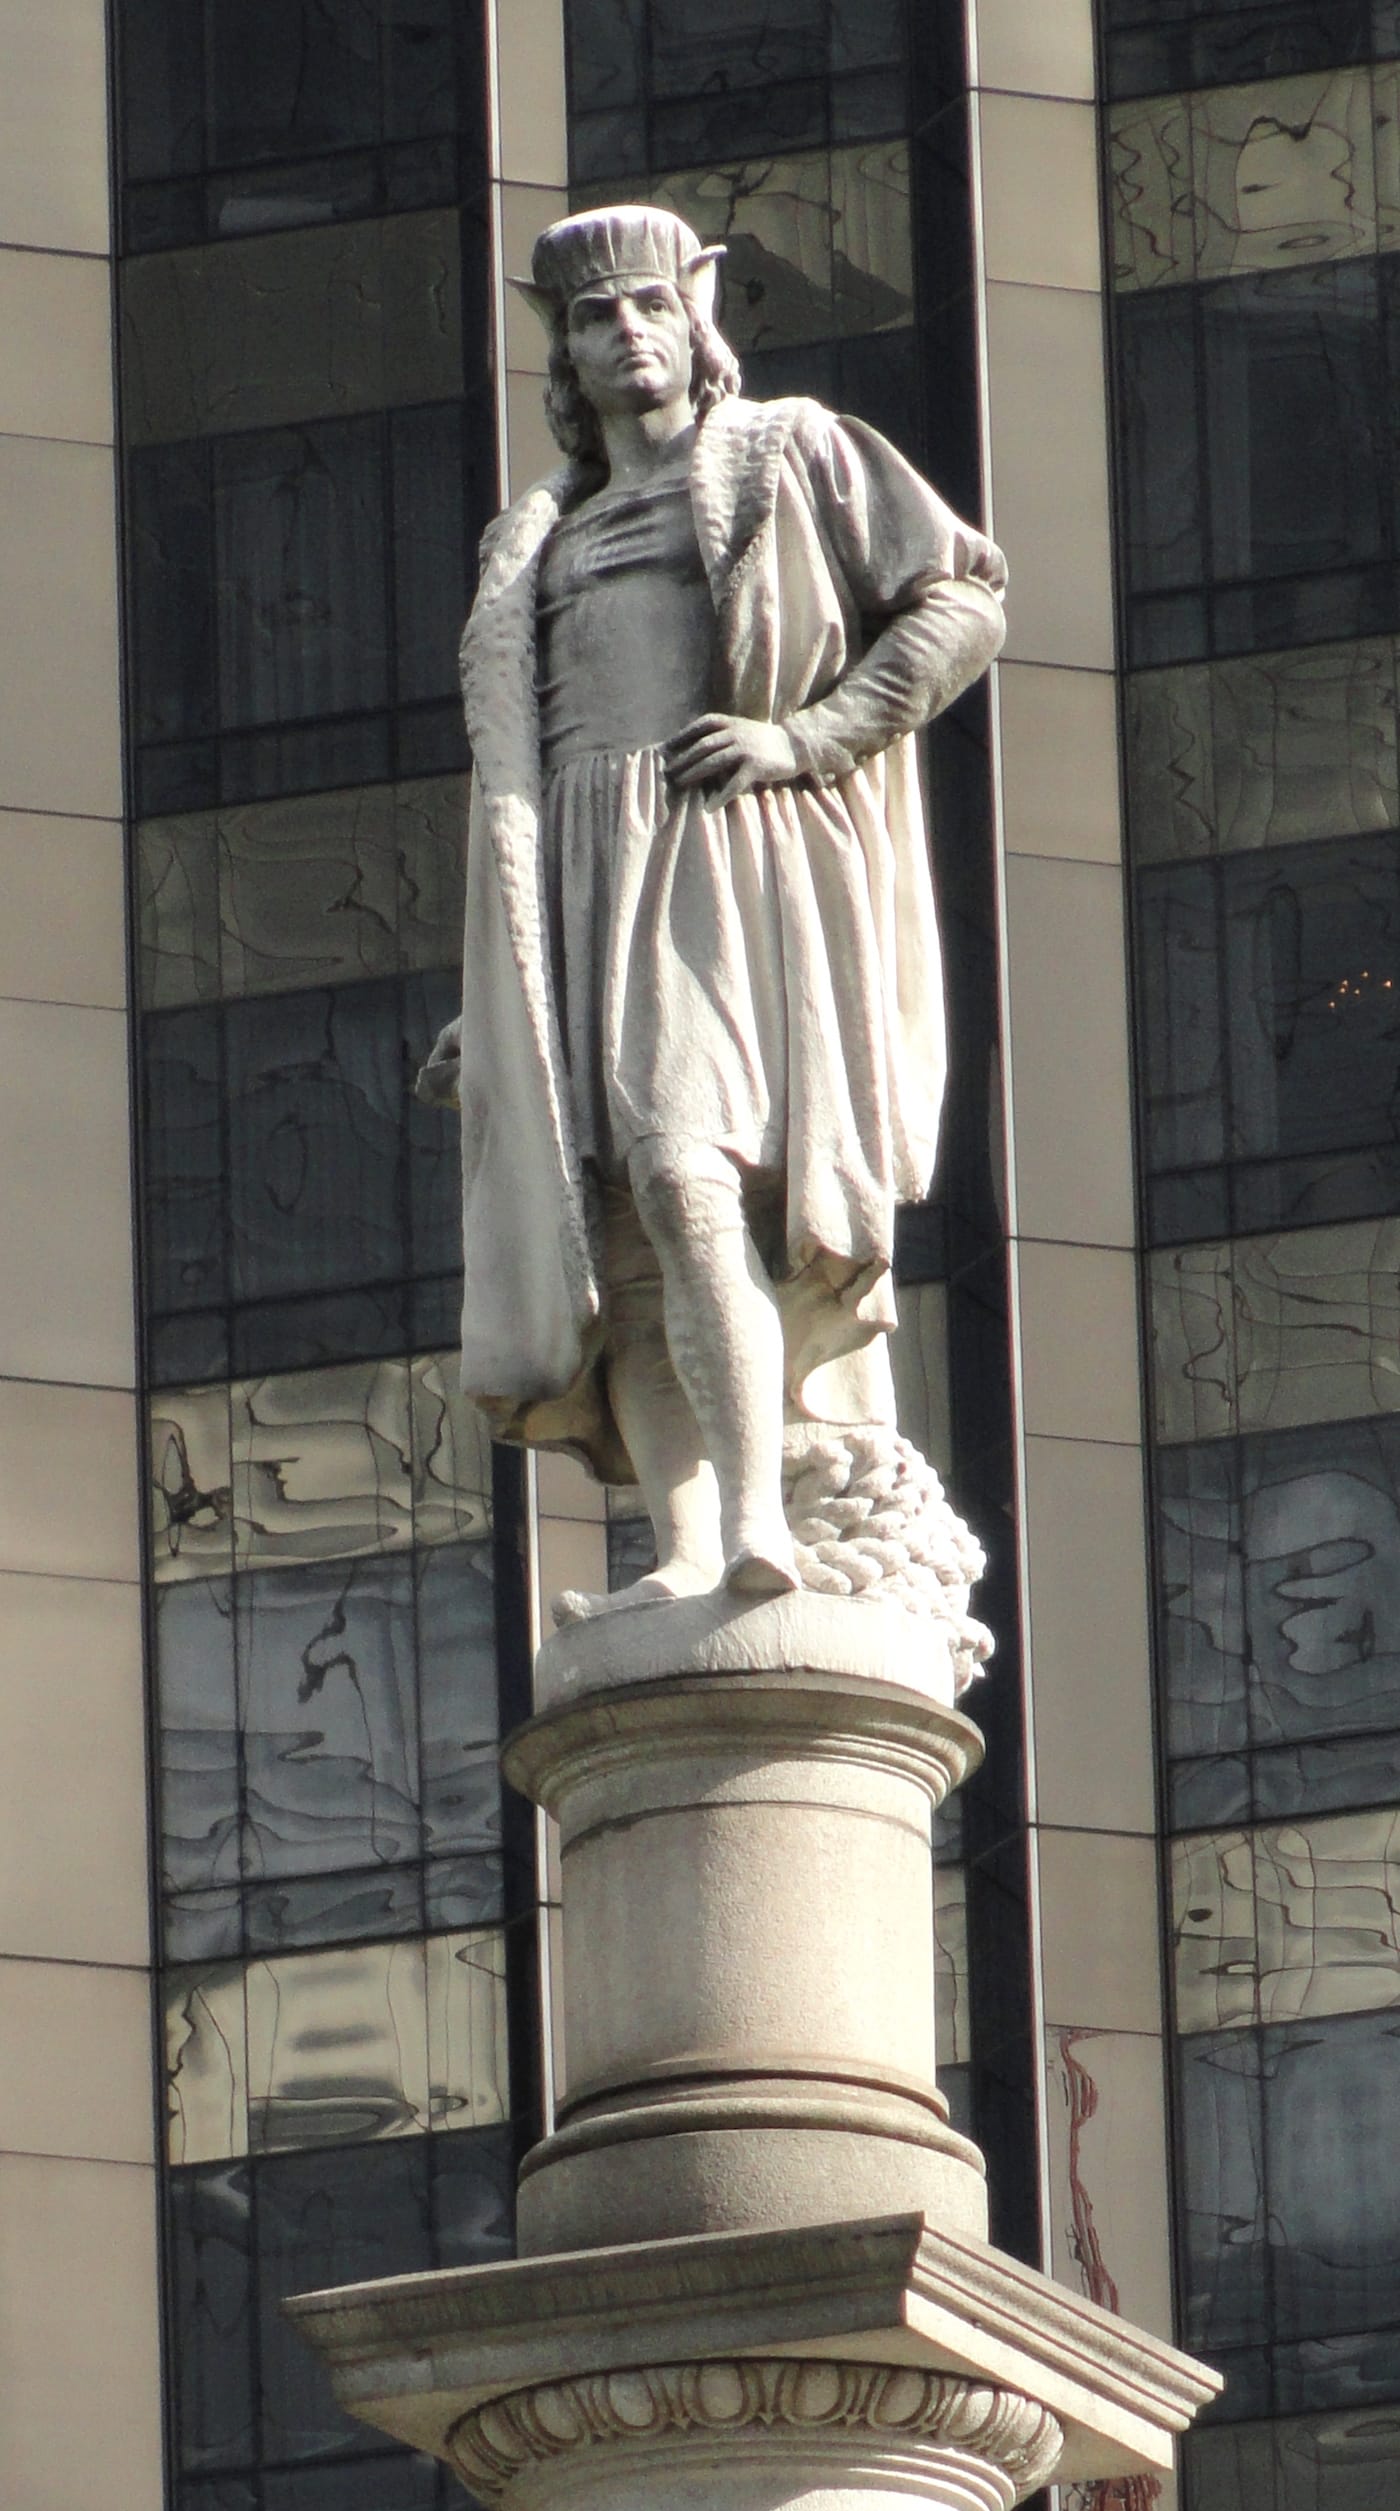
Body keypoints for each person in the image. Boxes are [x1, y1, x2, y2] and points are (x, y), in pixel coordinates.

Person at [420, 204, 1007, 1616]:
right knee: (611, 1237)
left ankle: (761, 1520)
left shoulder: (789, 450)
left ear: (696, 324)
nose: (626, 337)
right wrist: (499, 996)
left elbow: (963, 600)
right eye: (593, 318)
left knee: (687, 1180)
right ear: (561, 351)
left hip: (725, 860)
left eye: (649, 310)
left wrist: (811, 736)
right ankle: (685, 1550)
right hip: (578, 873)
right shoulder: (536, 537)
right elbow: (527, 773)